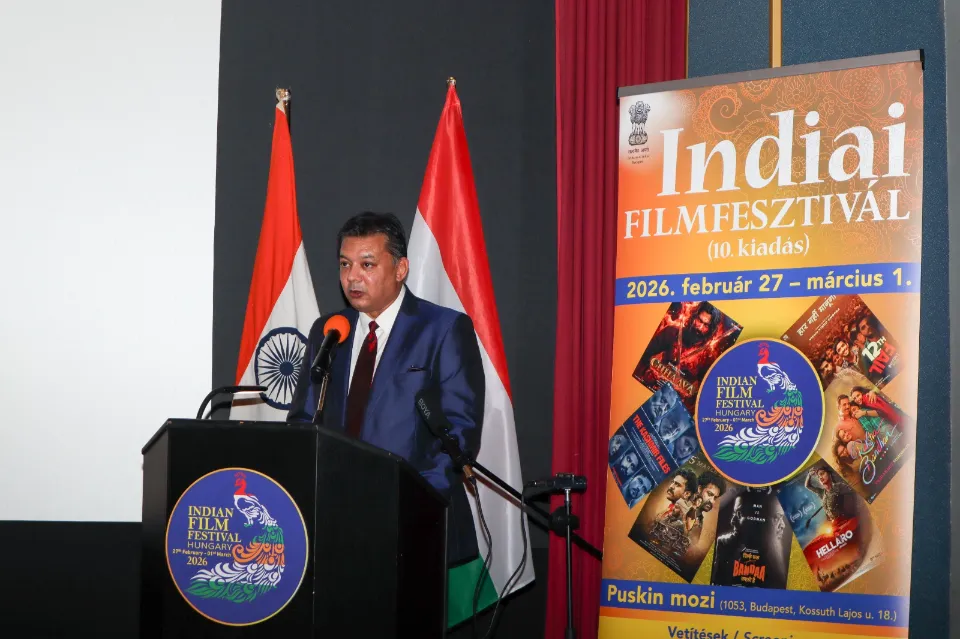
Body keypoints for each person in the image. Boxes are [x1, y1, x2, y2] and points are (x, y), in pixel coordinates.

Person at [287, 212, 485, 566]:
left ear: (400, 268)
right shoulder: (329, 330)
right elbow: (303, 419)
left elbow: (460, 432)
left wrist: (412, 500)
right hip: (334, 520)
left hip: (414, 521)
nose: (352, 277)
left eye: (367, 264)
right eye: (345, 264)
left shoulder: (443, 329)